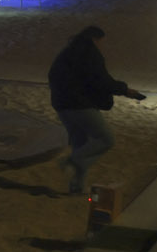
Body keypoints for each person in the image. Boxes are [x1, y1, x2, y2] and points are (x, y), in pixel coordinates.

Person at [48, 25, 147, 193]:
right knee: (105, 139)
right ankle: (71, 162)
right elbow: (101, 80)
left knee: (81, 143)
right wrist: (125, 90)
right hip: (80, 104)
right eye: (102, 42)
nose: (102, 45)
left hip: (61, 104)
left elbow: (54, 76)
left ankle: (76, 186)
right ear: (96, 39)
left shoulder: (68, 53)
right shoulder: (90, 54)